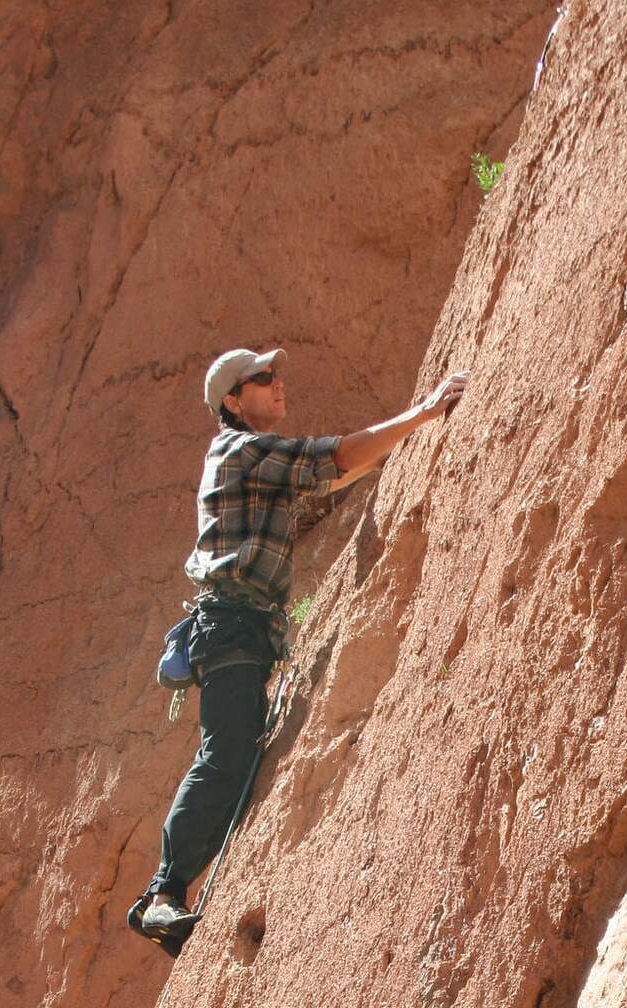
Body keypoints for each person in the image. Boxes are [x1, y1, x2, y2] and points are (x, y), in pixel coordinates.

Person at [136, 347, 468, 943]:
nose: (277, 383)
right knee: (228, 751)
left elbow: (334, 472)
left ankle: (173, 891)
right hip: (231, 624)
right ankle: (161, 891)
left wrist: (398, 442)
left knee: (236, 758)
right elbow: (334, 456)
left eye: (275, 374)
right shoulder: (240, 449)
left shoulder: (255, 460)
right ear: (233, 403)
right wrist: (423, 413)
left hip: (240, 628)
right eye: (262, 378)